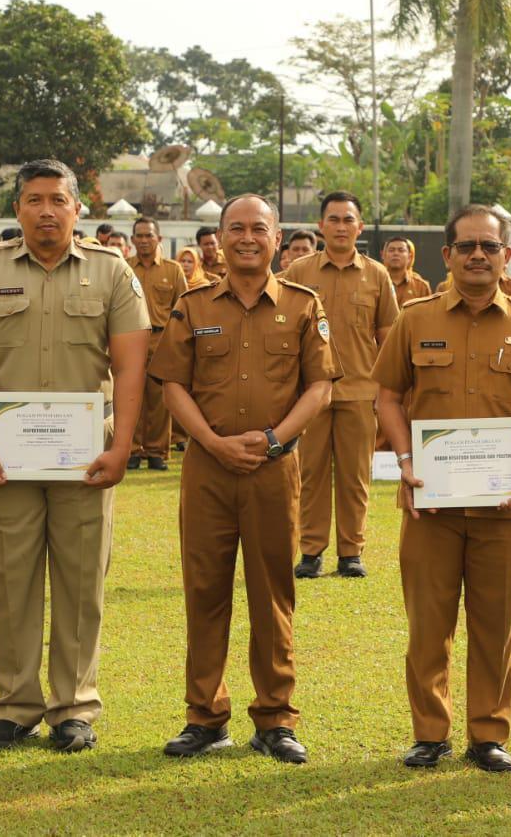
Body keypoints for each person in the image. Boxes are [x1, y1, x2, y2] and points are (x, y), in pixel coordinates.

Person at [0, 159, 150, 754]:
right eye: (34, 200)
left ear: (77, 208)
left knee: (82, 582)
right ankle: (14, 706)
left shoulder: (112, 271)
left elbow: (131, 367)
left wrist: (121, 445)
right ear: (18, 209)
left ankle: (74, 707)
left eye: (58, 200)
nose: (46, 211)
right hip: (4, 459)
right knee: (9, 580)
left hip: (85, 458)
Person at [373, 203, 511, 772]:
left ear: (506, 254)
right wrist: (405, 459)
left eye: (489, 246)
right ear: (448, 255)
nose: (478, 255)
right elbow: (387, 396)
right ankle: (430, 733)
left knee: (495, 625)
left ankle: (488, 734)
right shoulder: (416, 319)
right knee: (428, 625)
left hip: (505, 506)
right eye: (467, 246)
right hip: (430, 504)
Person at [149, 193, 338, 764]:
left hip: (273, 470)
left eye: (259, 228)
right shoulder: (192, 305)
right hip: (207, 469)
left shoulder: (303, 305)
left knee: (272, 592)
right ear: (220, 238)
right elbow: (173, 385)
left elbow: (320, 386)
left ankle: (275, 718)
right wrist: (212, 443)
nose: (247, 237)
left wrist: (275, 440)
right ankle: (205, 718)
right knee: (205, 590)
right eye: (236, 228)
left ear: (277, 238)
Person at [283, 192, 400, 579]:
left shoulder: (377, 275)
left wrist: (388, 393)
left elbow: (388, 337)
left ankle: (351, 551)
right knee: (310, 474)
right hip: (309, 395)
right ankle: (311, 550)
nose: (340, 226)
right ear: (321, 226)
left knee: (355, 477)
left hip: (360, 391)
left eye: (348, 219)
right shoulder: (299, 271)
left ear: (360, 227)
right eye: (333, 219)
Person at [127, 217, 187, 472]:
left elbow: (183, 308)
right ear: (132, 240)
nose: (144, 240)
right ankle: (132, 450)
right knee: (131, 396)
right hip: (129, 339)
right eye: (139, 236)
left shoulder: (173, 270)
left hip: (162, 339)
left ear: (158, 239)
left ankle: (157, 451)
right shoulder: (124, 267)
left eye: (148, 235)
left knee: (161, 399)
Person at [383, 237, 431, 305]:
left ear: (409, 257)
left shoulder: (421, 286)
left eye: (401, 250)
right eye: (391, 250)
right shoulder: (375, 283)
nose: (396, 253)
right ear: (383, 255)